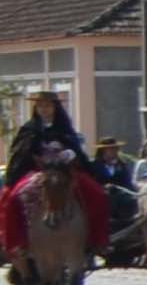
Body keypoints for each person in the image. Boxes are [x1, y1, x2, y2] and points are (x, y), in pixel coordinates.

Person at [8, 87, 106, 257]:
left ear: (55, 108)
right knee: (11, 198)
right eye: (40, 106)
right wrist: (35, 154)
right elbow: (20, 154)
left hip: (66, 172)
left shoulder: (65, 128)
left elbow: (77, 150)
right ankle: (19, 243)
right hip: (37, 172)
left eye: (47, 106)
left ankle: (96, 240)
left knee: (98, 194)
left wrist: (71, 153)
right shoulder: (29, 129)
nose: (44, 109)